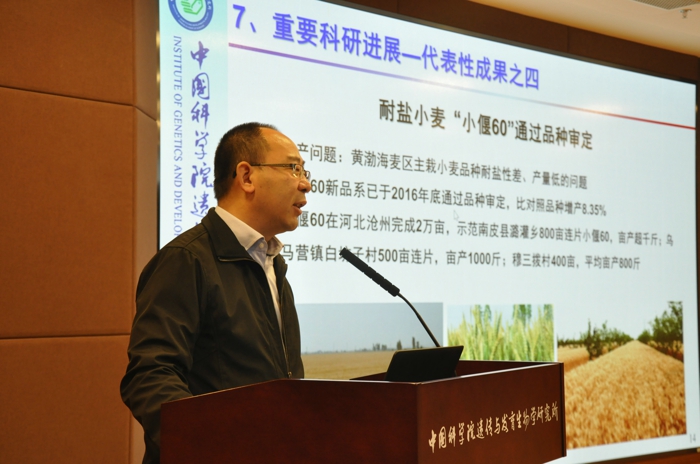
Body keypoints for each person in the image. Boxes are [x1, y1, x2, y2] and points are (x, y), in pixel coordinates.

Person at [120, 122, 310, 464]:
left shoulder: (273, 265)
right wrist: (211, 446)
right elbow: (150, 376)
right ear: (246, 176)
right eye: (293, 168)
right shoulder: (187, 260)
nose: (305, 183)